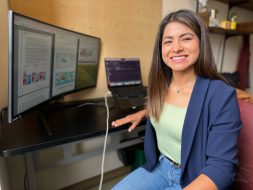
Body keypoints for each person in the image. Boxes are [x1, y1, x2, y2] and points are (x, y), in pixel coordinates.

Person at [111, 9, 242, 190]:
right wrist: (146, 112)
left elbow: (222, 168)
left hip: (196, 176)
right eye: (168, 41)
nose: (176, 47)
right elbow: (178, 112)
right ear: (161, 48)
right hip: (160, 167)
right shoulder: (160, 85)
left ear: (201, 42)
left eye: (186, 38)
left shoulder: (221, 96)